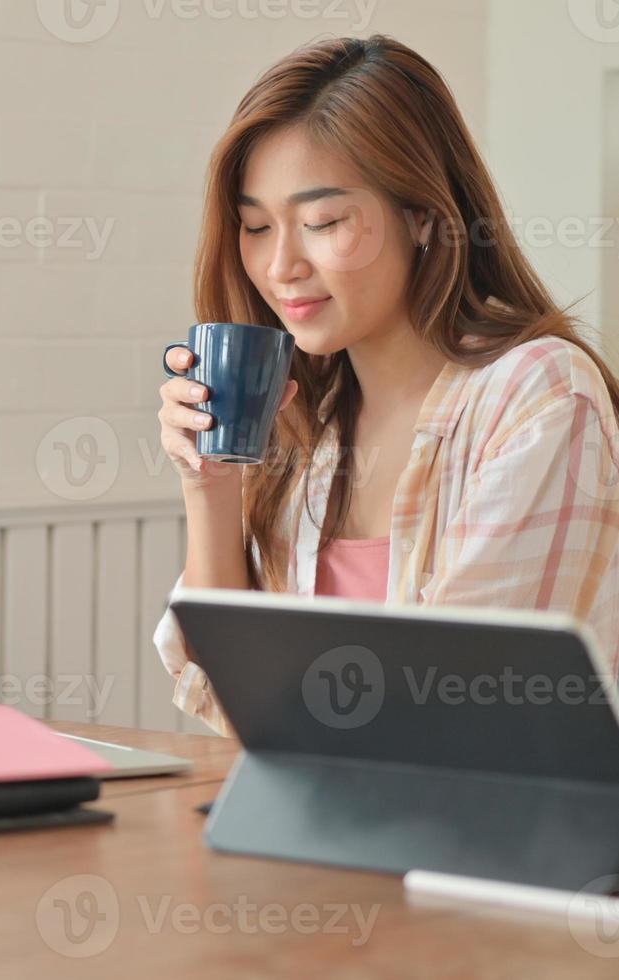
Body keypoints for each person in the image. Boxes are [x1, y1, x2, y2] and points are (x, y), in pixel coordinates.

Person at [153, 35, 619, 737]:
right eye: (254, 226)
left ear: (423, 214)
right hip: (340, 821)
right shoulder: (306, 421)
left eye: (322, 222)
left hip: (485, 837)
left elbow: (455, 709)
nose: (279, 265)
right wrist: (210, 485)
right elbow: (227, 700)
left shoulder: (540, 395)